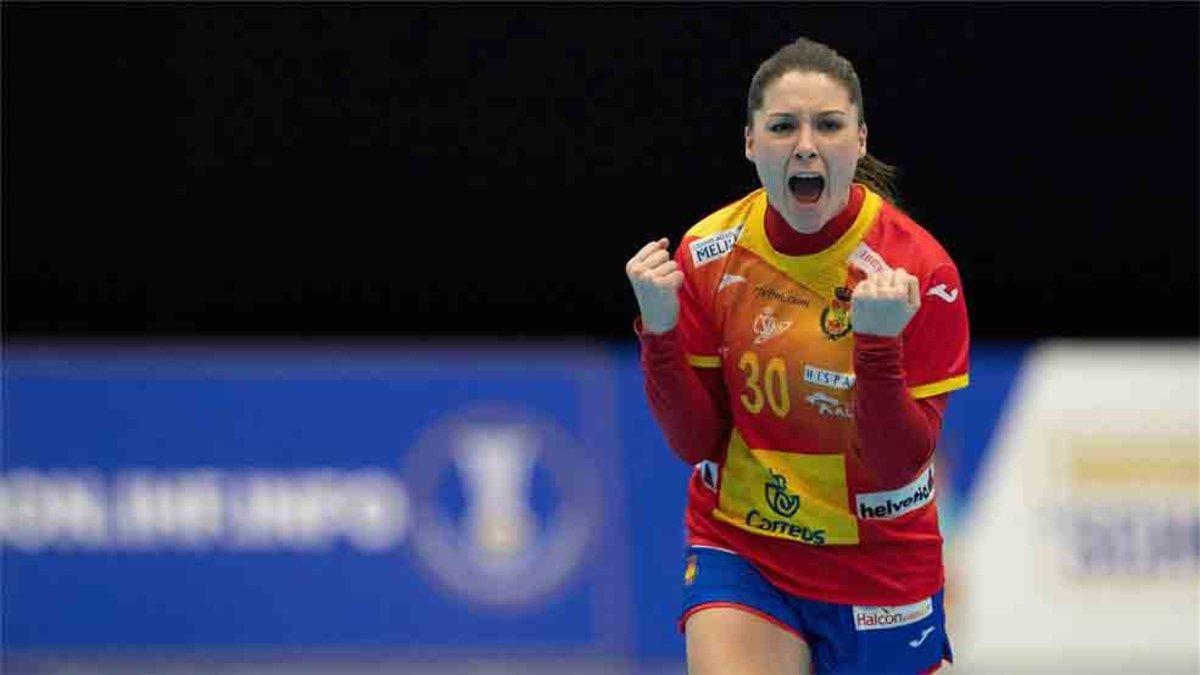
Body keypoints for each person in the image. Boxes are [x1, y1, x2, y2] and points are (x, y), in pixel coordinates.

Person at [624, 36, 969, 675]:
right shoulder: (708, 252)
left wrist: (877, 345)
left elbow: (897, 467)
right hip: (744, 547)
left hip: (880, 563)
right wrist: (661, 331)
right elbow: (697, 441)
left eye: (828, 125)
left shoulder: (922, 271)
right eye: (783, 126)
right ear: (751, 143)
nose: (805, 144)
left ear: (859, 141)